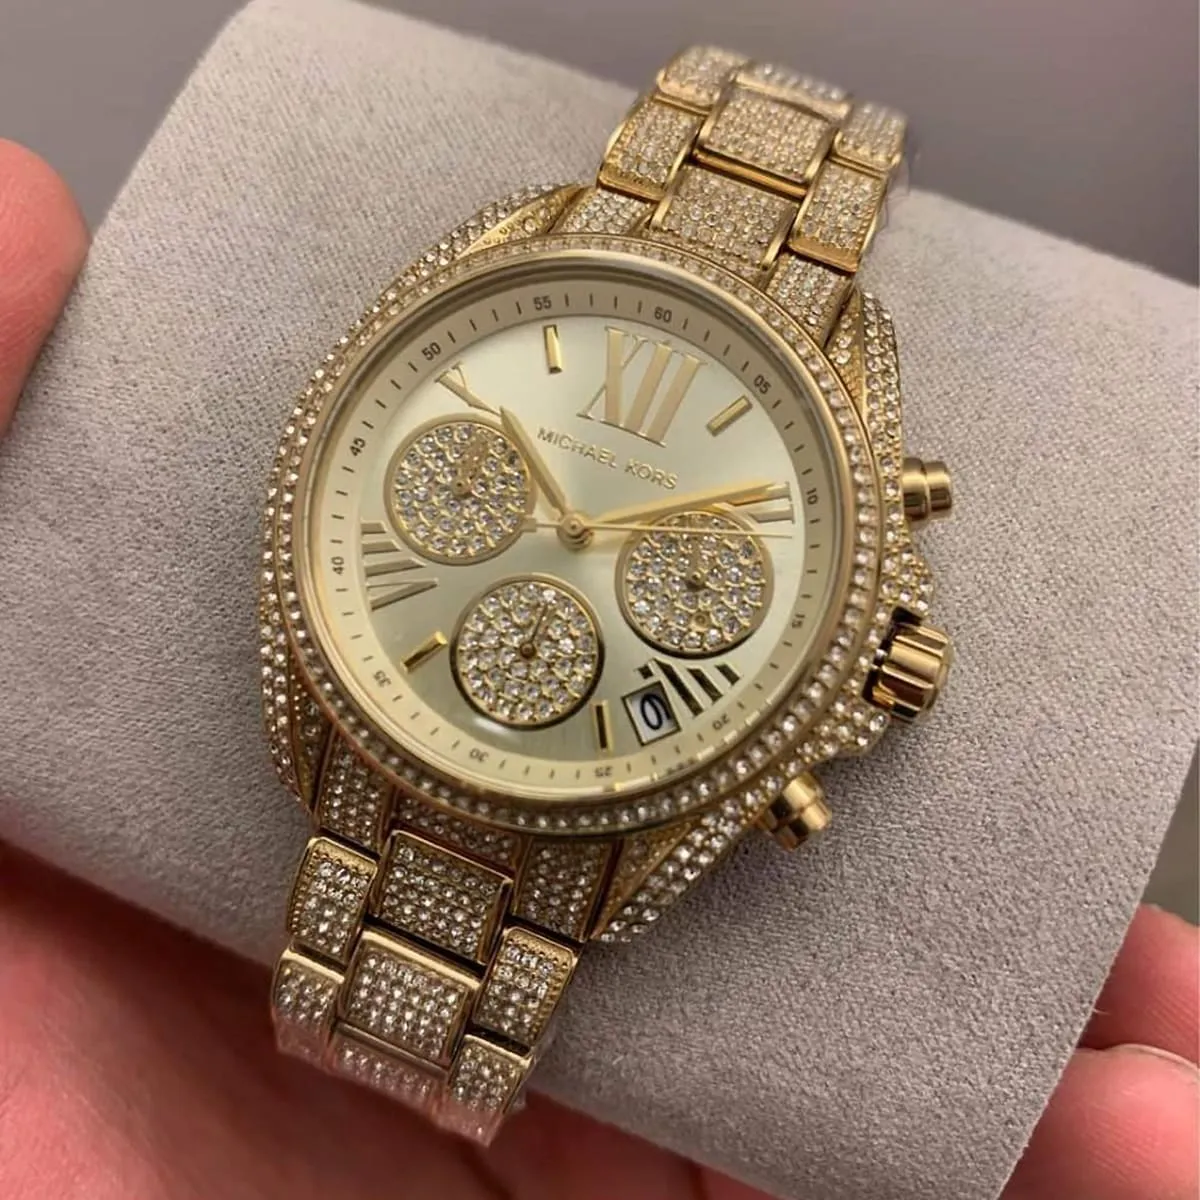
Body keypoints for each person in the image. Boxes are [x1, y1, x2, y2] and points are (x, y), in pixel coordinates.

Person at [0, 138, 1195, 1200]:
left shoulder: (832, 527)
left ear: (867, 667)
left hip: (573, 799)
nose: (578, 532)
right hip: (380, 738)